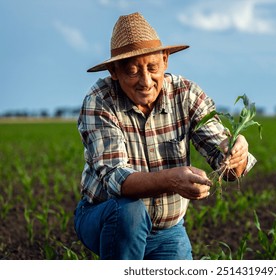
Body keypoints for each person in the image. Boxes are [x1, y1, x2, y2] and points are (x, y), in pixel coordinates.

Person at [74, 12, 256, 260]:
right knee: (130, 212)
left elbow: (225, 161)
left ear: (165, 60)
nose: (146, 81)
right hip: (105, 217)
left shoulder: (186, 95)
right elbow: (117, 179)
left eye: (152, 68)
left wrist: (235, 153)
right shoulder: (100, 101)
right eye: (132, 71)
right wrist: (171, 179)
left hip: (168, 231)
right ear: (114, 72)